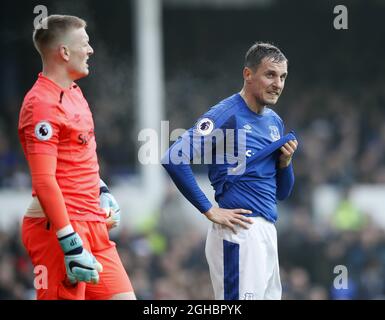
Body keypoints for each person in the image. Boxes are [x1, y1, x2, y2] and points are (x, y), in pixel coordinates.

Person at [162, 42, 298, 300]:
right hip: (240, 233)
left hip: (267, 232)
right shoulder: (226, 114)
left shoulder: (274, 122)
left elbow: (282, 193)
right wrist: (208, 209)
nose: (278, 84)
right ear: (248, 74)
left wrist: (285, 163)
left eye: (282, 77)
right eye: (270, 74)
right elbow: (174, 157)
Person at [18, 15, 135, 300]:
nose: (91, 50)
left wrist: (102, 189)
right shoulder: (41, 105)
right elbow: (44, 182)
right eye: (85, 43)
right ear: (64, 52)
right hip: (59, 231)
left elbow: (80, 157)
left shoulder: (74, 93)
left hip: (93, 224)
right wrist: (69, 241)